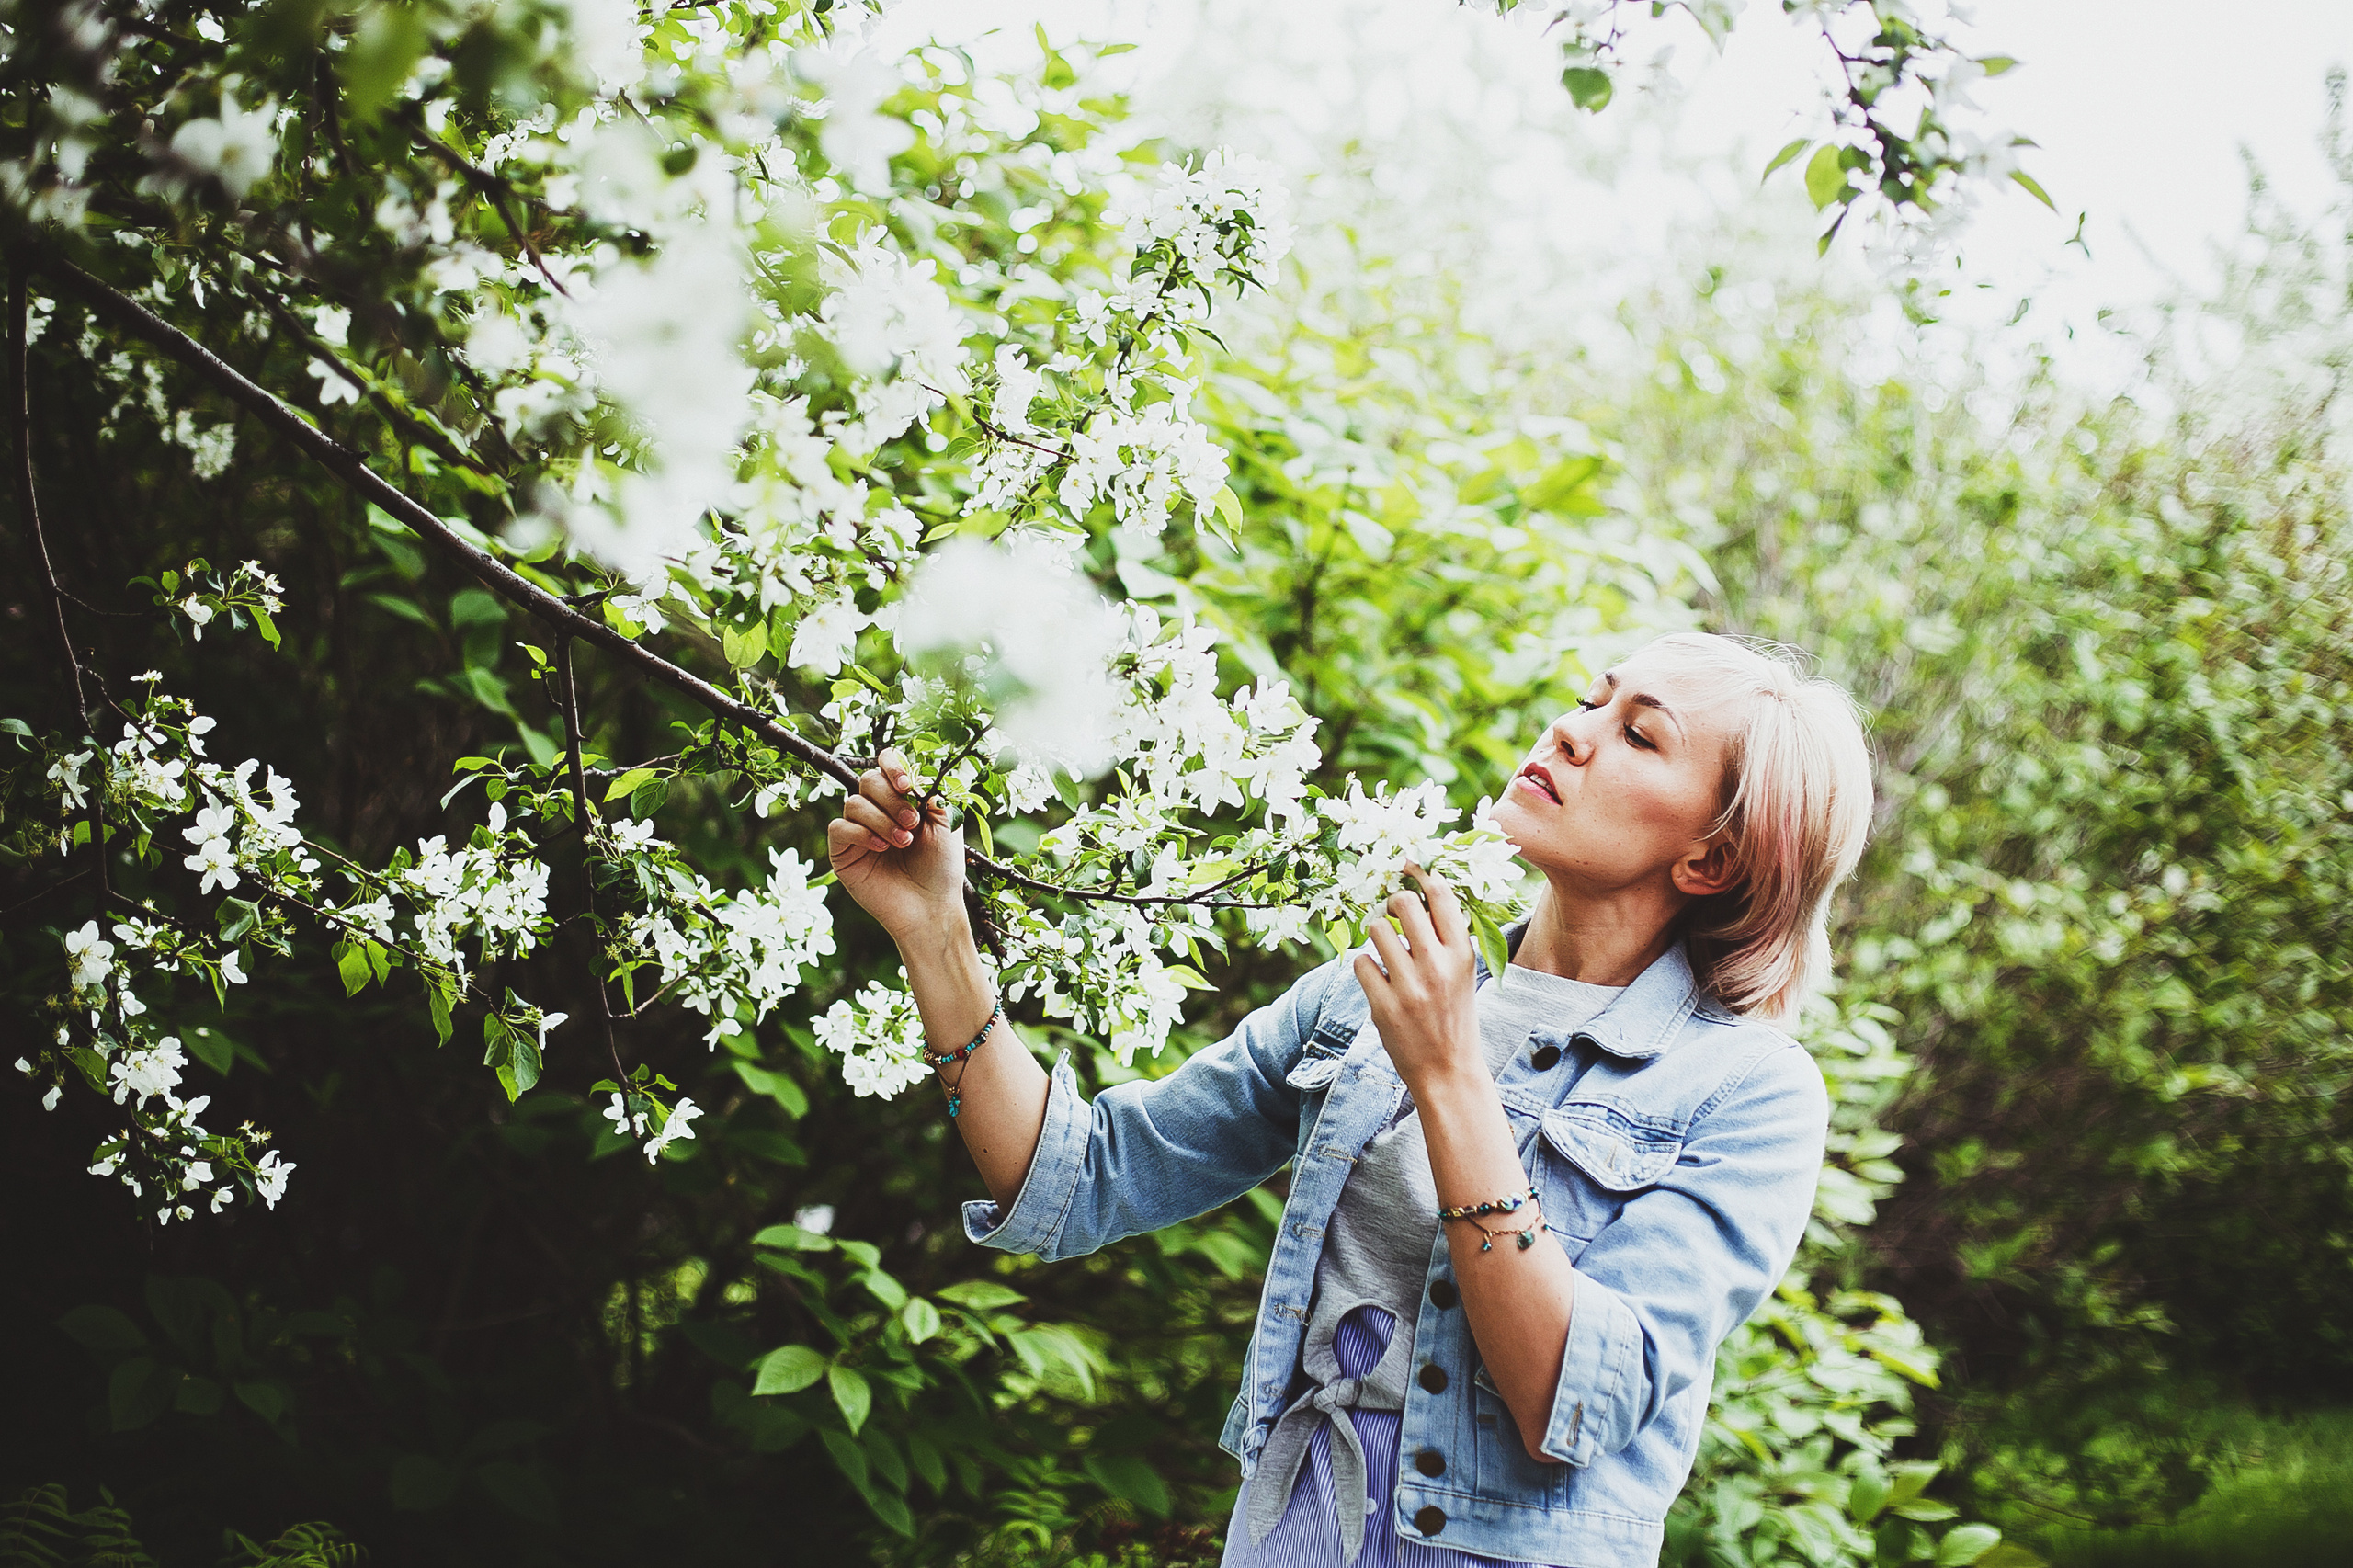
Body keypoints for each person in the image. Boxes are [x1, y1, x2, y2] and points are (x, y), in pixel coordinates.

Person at [826, 631, 1875, 1568]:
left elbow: (1569, 1401)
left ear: (1713, 855)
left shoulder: (1749, 1092)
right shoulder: (1373, 990)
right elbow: (1080, 1178)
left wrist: (1452, 1076)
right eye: (1592, 698)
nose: (1572, 729)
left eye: (1639, 734)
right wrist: (935, 931)